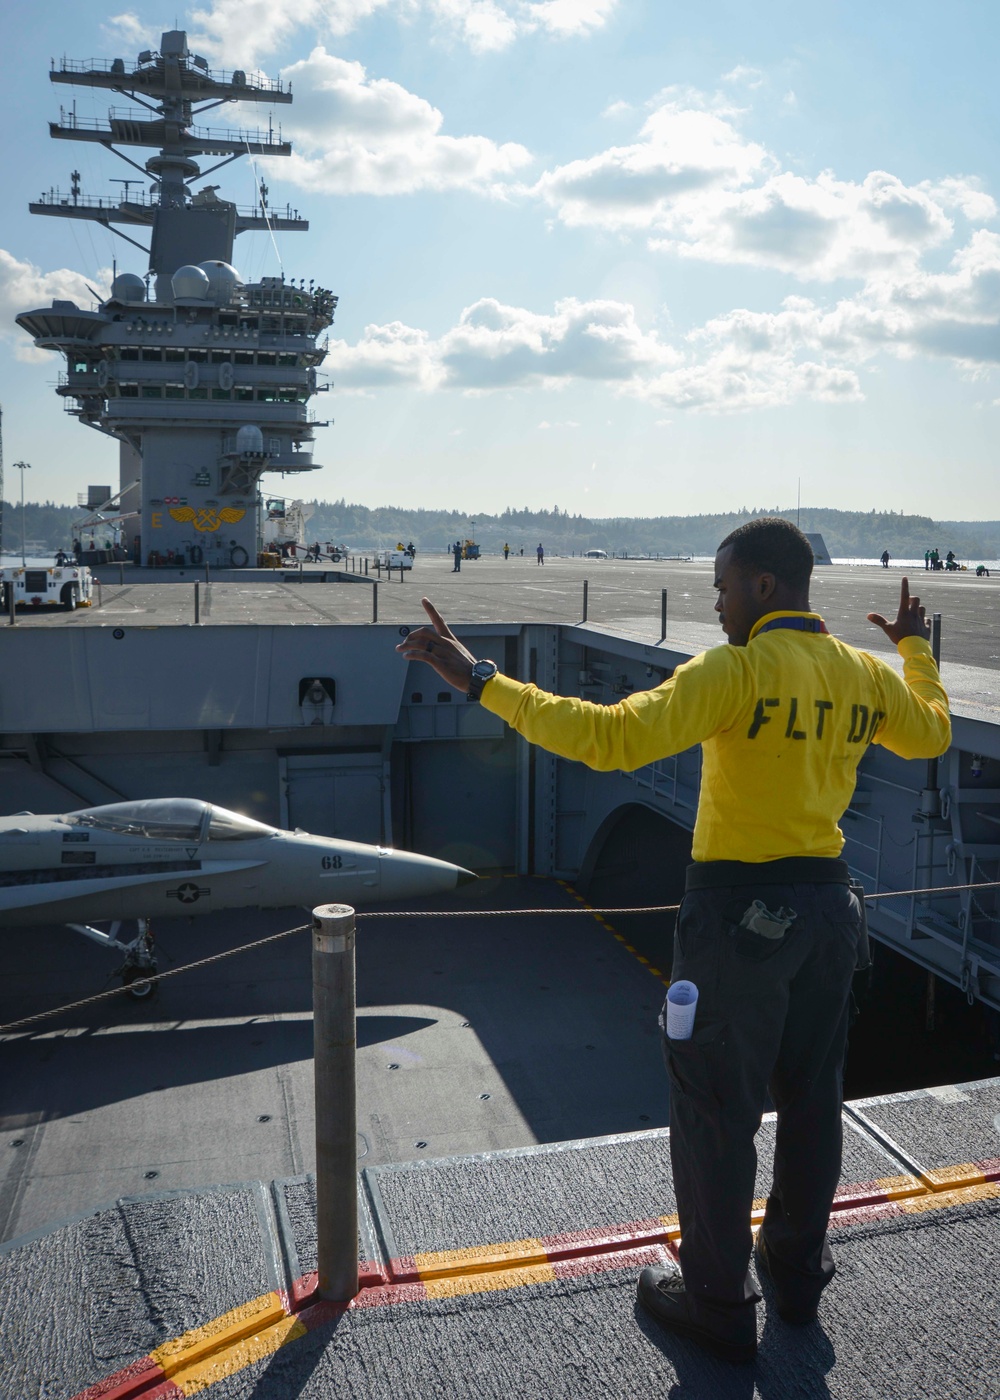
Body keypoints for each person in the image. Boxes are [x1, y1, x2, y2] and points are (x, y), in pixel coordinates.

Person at [395, 517, 950, 1365]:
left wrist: (479, 679)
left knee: (715, 1109)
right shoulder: (861, 674)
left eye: (723, 586)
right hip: (833, 913)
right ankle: (798, 1278)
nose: (717, 603)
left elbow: (607, 739)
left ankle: (718, 1302)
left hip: (737, 917)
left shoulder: (733, 669)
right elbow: (932, 733)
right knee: (811, 1098)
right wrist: (913, 649)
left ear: (763, 586)